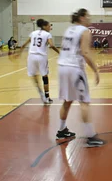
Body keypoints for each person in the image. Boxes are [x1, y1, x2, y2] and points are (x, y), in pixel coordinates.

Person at [56, 9, 104, 147]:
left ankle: (61, 130)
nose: (90, 19)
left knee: (67, 100)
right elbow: (85, 52)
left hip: (62, 66)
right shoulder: (84, 31)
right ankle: (91, 137)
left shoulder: (68, 30)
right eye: (88, 17)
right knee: (84, 102)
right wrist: (95, 70)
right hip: (74, 68)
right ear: (82, 18)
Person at [21, 19, 59, 104]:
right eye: (49, 26)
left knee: (34, 75)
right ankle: (47, 96)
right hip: (41, 57)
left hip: (31, 56)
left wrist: (18, 53)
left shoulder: (33, 33)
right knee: (45, 76)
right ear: (44, 26)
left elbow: (24, 45)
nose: (50, 27)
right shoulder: (47, 34)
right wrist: (60, 52)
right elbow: (52, 45)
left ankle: (40, 92)